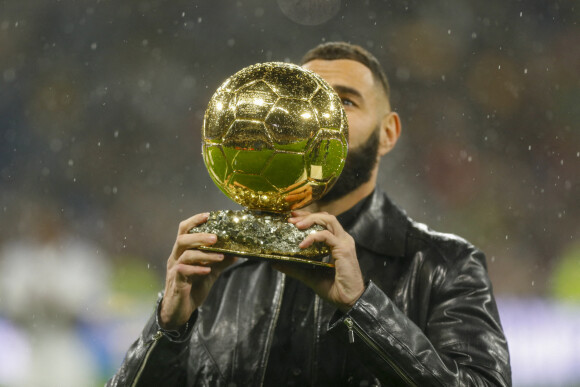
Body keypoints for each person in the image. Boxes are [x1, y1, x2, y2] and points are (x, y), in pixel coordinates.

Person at [108, 42, 511, 386]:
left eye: (346, 101)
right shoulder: (221, 268)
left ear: (388, 133)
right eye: (307, 101)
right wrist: (169, 328)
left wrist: (362, 307)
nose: (323, 116)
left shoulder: (444, 266)